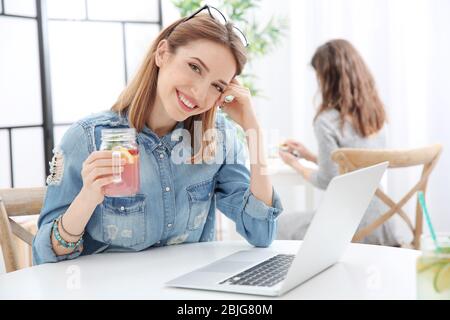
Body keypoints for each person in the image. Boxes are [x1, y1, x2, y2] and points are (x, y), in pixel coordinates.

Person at [32, 6, 283, 265]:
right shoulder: (88, 138)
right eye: (195, 68)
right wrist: (87, 198)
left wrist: (253, 130)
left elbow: (261, 233)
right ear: (162, 53)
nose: (199, 93)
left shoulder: (215, 139)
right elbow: (44, 256)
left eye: (217, 85)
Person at [278, 39, 399, 246]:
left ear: (327, 79)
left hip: (349, 226)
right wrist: (310, 156)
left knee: (276, 225)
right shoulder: (376, 116)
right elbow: (355, 166)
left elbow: (327, 180)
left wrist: (295, 164)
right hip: (384, 223)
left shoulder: (326, 121)